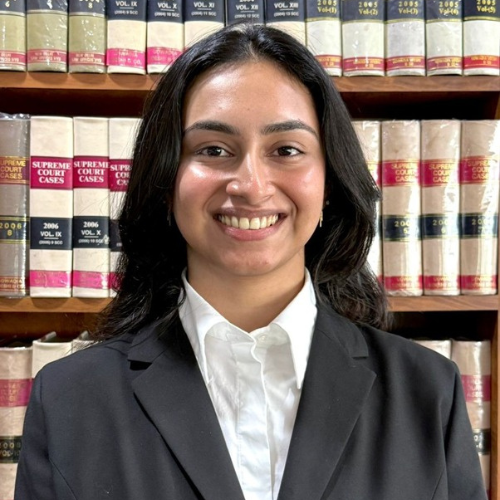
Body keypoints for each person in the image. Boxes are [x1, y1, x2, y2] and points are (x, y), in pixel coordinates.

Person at [15, 24, 486, 500]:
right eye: (213, 150)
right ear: (166, 180)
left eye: (286, 150)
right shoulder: (70, 399)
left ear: (329, 182)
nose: (251, 186)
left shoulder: (429, 392)